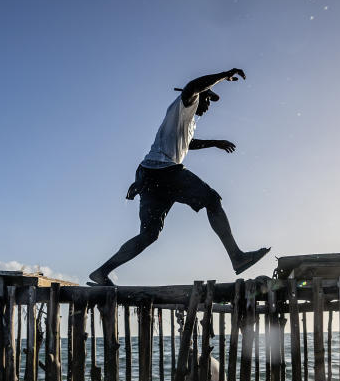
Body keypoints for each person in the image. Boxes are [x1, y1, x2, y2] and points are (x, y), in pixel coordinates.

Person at [88, 68, 269, 286]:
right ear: (198, 97)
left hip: (150, 174)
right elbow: (193, 86)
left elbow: (187, 144)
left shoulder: (187, 121)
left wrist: (214, 143)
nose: (209, 106)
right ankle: (237, 258)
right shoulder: (185, 104)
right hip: (165, 171)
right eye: (208, 99)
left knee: (149, 235)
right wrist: (224, 74)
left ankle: (101, 272)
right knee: (212, 200)